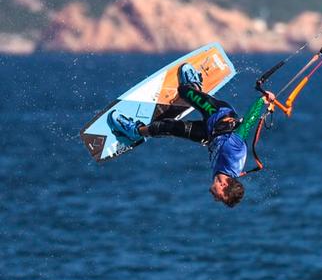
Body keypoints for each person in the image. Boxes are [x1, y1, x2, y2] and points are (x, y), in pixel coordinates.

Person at [107, 63, 274, 208]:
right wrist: (262, 101)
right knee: (184, 90)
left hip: (209, 135)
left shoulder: (226, 175)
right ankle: (194, 86)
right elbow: (247, 126)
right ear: (223, 185)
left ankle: (135, 131)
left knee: (167, 127)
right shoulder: (233, 154)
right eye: (219, 197)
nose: (215, 199)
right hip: (218, 114)